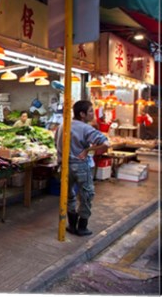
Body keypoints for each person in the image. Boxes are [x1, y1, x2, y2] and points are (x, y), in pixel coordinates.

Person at [55, 100, 110, 237]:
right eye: (91, 111)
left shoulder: (62, 126)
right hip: (81, 167)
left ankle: (71, 224)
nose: (93, 114)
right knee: (86, 196)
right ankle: (82, 227)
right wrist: (88, 149)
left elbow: (56, 144)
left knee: (68, 196)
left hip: (65, 166)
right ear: (82, 114)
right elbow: (105, 144)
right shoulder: (86, 128)